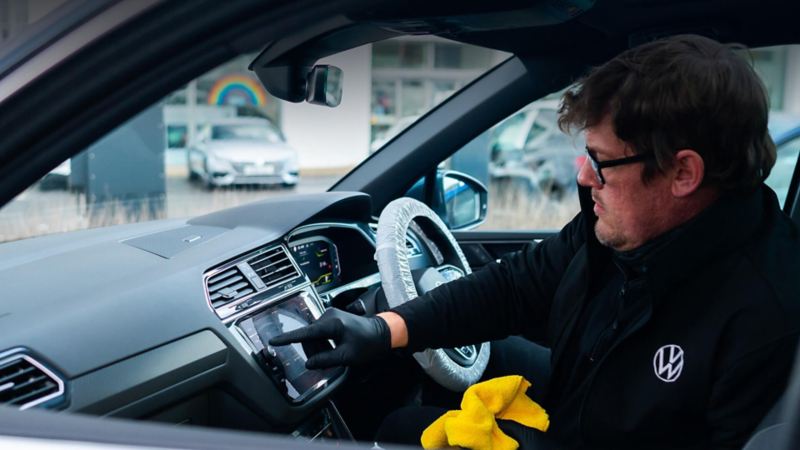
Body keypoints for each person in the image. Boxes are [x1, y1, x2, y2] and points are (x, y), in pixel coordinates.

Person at [270, 34, 800, 449]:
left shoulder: (762, 314)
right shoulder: (620, 230)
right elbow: (514, 289)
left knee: (398, 431)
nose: (585, 177)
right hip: (576, 414)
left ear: (683, 173)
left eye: (603, 162)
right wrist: (383, 329)